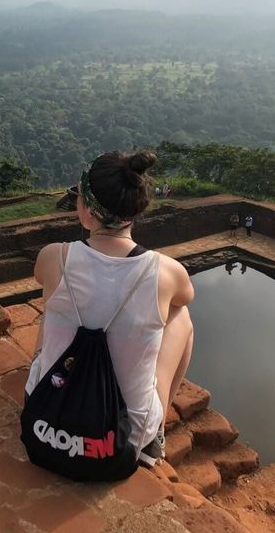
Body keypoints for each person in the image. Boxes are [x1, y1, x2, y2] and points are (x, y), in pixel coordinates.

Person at [27, 150, 194, 467]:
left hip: (45, 422)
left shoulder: (54, 257)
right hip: (119, 441)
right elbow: (185, 298)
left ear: (86, 210)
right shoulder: (169, 272)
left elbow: (41, 279)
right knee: (180, 316)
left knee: (53, 302)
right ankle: (153, 433)